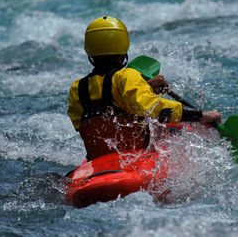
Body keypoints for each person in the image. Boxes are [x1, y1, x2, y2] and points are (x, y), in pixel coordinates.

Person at [67, 16, 221, 160]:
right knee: (179, 129)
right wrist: (202, 115)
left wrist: (144, 88)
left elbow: (94, 118)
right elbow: (154, 108)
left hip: (99, 159)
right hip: (132, 156)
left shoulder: (77, 88)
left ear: (90, 51)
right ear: (124, 49)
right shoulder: (127, 76)